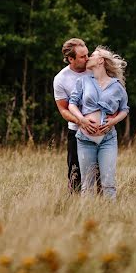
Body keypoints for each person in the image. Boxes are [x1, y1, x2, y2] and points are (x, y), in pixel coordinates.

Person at [68, 46, 129, 200]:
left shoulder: (117, 86)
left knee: (108, 183)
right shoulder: (83, 81)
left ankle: (111, 218)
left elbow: (125, 109)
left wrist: (113, 121)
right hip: (85, 140)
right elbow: (72, 104)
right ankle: (86, 218)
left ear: (101, 60)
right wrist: (81, 119)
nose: (88, 58)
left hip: (107, 140)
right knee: (86, 185)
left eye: (93, 55)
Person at [53, 38, 100, 193]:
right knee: (75, 173)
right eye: (82, 57)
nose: (87, 59)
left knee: (102, 173)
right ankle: (73, 208)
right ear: (70, 59)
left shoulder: (95, 69)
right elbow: (63, 110)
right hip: (76, 132)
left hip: (101, 130)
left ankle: (105, 207)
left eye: (88, 54)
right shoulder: (61, 79)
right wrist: (81, 121)